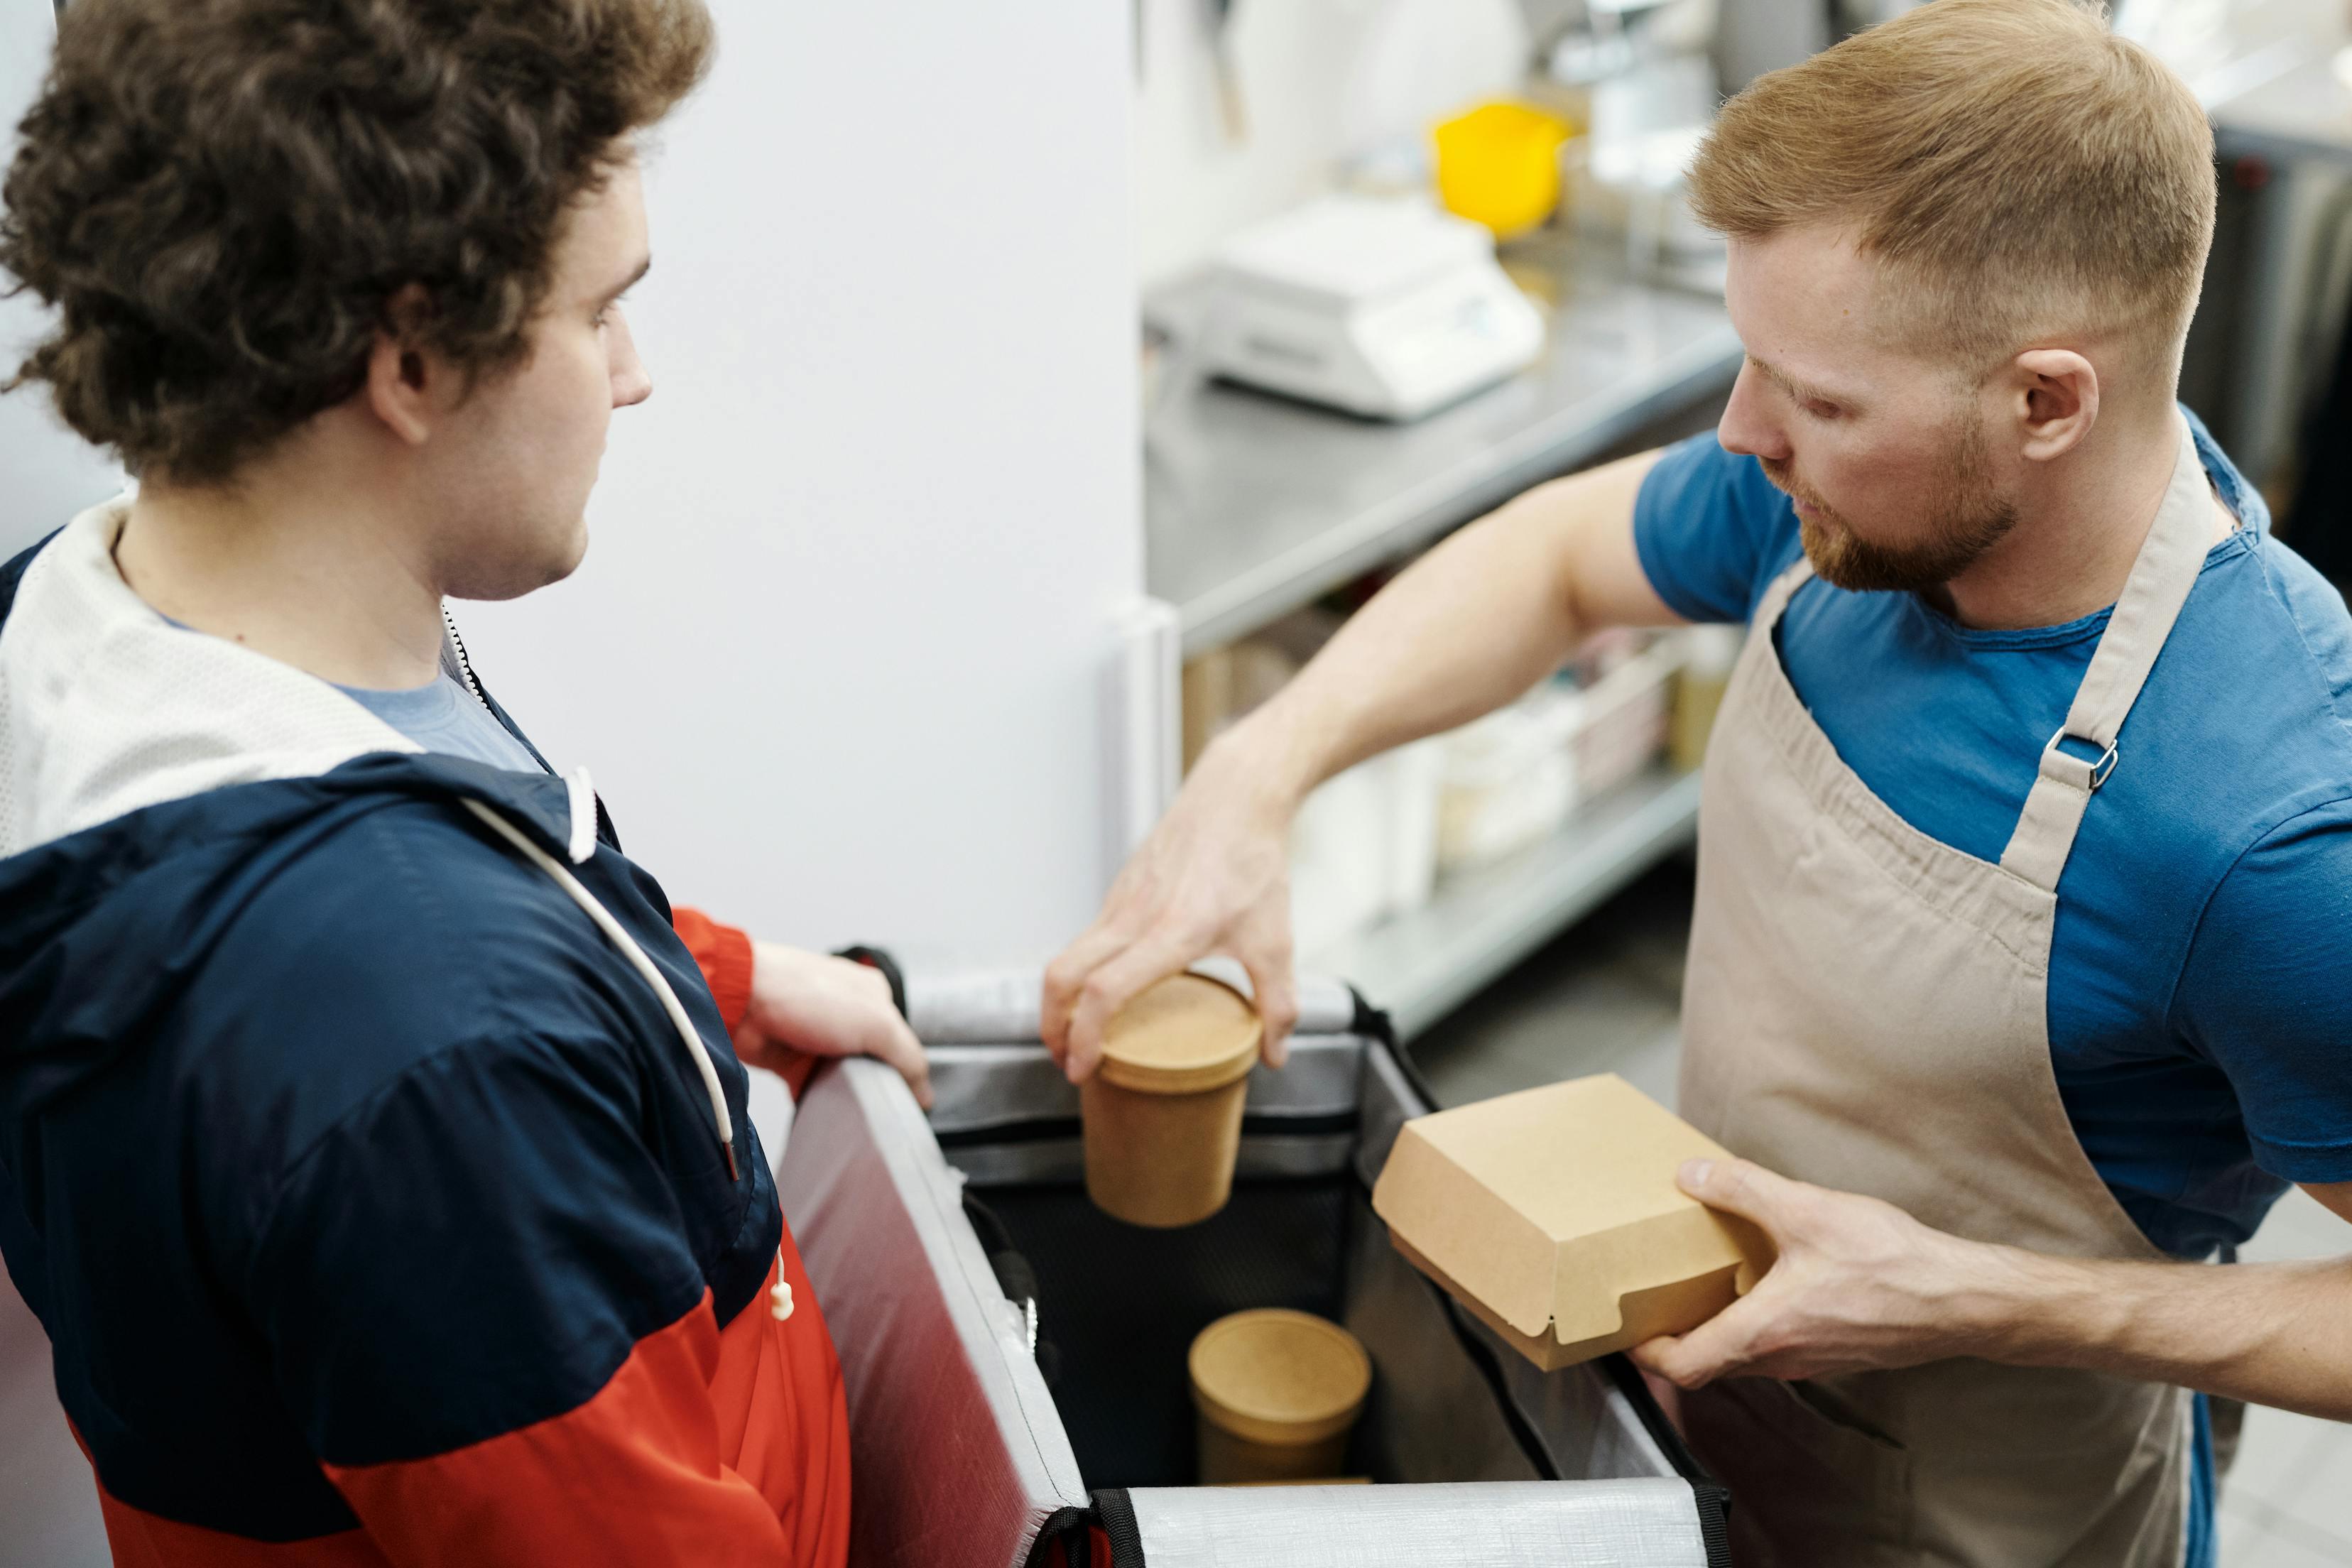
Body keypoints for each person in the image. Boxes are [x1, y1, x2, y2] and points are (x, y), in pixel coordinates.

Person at [1045, 0, 2352, 1562]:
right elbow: (1556, 557)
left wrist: (1975, 1298)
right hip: (1717, 1434)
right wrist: (1254, 779)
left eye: (1820, 402)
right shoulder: (1853, 508)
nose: (1744, 435)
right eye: (1755, 367)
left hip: (2004, 1510)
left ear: (2048, 402)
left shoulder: (2268, 829)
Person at [0, 1, 927, 1563]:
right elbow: (409, 1037)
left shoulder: (76, 629)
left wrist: (719, 976)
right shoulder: (435, 1070)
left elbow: (357, 905)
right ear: (416, 359)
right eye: (602, 311)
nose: (632, 377)